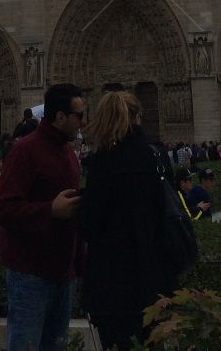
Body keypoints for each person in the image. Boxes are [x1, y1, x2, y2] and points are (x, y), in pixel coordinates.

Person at [80, 90, 182, 351]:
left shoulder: (103, 161)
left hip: (113, 283)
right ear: (138, 117)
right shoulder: (155, 156)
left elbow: (89, 225)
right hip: (154, 279)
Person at [0, 83, 84, 351]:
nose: (83, 121)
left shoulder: (68, 153)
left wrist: (79, 266)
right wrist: (49, 210)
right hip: (30, 273)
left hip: (62, 273)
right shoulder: (25, 151)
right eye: (79, 115)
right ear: (60, 117)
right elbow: (1, 209)